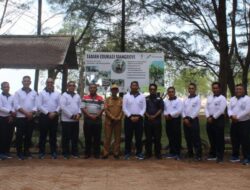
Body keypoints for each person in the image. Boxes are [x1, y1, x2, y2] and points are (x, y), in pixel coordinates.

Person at [14, 76, 37, 160]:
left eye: (28, 81)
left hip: (30, 118)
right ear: (22, 82)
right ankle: (19, 152)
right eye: (25, 81)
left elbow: (36, 105)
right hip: (20, 117)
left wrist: (31, 113)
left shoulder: (34, 92)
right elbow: (16, 105)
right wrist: (26, 113)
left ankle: (26, 151)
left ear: (30, 82)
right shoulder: (17, 92)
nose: (26, 82)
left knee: (28, 135)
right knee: (19, 136)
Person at [37, 78, 60, 159]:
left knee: (53, 135)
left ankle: (53, 152)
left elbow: (59, 105)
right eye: (48, 82)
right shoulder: (41, 93)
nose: (50, 83)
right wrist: (48, 113)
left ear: (53, 83)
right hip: (44, 116)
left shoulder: (57, 93)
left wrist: (55, 112)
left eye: (51, 82)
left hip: (54, 116)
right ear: (46, 83)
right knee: (43, 135)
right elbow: (39, 105)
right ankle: (41, 152)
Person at [123, 81, 146, 160]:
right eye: (133, 85)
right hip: (129, 119)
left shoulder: (142, 96)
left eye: (136, 85)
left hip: (139, 119)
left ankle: (139, 153)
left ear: (138, 87)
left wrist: (139, 116)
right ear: (130, 86)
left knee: (138, 137)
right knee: (128, 137)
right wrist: (130, 117)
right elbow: (124, 108)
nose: (134, 86)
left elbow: (144, 108)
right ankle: (127, 153)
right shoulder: (126, 96)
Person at [228, 84, 250, 165]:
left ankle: (247, 157)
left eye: (240, 89)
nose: (238, 91)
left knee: (245, 141)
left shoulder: (248, 99)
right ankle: (235, 156)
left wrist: (237, 117)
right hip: (234, 123)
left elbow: (247, 110)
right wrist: (231, 116)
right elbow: (229, 109)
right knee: (234, 140)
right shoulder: (232, 99)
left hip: (244, 123)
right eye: (237, 89)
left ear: (243, 90)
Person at [205, 82, 227, 163]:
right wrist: (208, 117)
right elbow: (206, 108)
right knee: (211, 137)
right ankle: (213, 154)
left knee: (219, 138)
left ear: (219, 89)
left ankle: (220, 156)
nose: (215, 89)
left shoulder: (222, 98)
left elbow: (221, 110)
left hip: (218, 120)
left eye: (216, 88)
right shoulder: (209, 97)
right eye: (213, 88)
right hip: (209, 119)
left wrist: (213, 118)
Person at [82, 83, 104, 159]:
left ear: (96, 89)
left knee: (97, 138)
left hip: (97, 120)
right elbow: (83, 108)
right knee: (87, 137)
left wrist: (97, 116)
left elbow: (102, 108)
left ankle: (96, 153)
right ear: (89, 89)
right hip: (88, 120)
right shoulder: (85, 97)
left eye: (94, 88)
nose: (92, 89)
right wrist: (90, 115)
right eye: (91, 88)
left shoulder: (100, 98)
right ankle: (87, 153)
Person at [60, 81, 81, 159]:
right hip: (66, 120)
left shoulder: (77, 96)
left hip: (76, 120)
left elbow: (79, 106)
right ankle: (65, 153)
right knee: (66, 138)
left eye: (73, 85)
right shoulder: (64, 95)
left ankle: (74, 152)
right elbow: (62, 107)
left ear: (75, 87)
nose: (72, 87)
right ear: (67, 86)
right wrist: (71, 116)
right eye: (70, 85)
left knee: (75, 137)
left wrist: (79, 114)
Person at [102, 84, 123, 159]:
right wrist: (112, 117)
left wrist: (119, 117)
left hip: (118, 121)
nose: (114, 90)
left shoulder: (121, 99)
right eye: (113, 89)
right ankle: (105, 153)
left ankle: (116, 153)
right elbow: (106, 110)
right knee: (107, 137)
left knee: (117, 138)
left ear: (117, 91)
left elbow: (122, 110)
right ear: (111, 91)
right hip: (109, 121)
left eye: (115, 89)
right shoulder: (107, 99)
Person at [182, 83, 202, 161]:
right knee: (188, 138)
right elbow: (182, 110)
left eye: (192, 88)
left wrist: (189, 119)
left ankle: (198, 155)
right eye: (189, 88)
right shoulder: (185, 99)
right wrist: (184, 118)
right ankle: (190, 153)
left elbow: (196, 110)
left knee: (196, 138)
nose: (191, 90)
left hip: (193, 120)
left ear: (195, 89)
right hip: (185, 120)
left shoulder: (197, 98)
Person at [144, 83, 164, 159]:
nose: (152, 90)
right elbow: (143, 109)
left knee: (157, 138)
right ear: (149, 90)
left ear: (156, 90)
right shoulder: (145, 99)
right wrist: (148, 116)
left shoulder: (159, 99)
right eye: (151, 89)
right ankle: (148, 153)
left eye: (154, 89)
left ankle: (158, 153)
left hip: (157, 122)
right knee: (148, 138)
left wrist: (154, 116)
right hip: (147, 121)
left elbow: (161, 109)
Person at [163, 86, 183, 160]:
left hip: (175, 120)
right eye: (169, 92)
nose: (171, 93)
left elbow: (179, 110)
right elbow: (164, 110)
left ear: (174, 92)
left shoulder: (179, 101)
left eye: (172, 92)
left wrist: (170, 115)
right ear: (168, 93)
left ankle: (178, 153)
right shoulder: (166, 101)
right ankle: (172, 152)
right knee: (170, 136)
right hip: (168, 120)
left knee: (177, 137)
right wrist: (166, 115)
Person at [0, 82, 16, 160]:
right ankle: (1, 153)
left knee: (9, 135)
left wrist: (11, 115)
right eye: (4, 87)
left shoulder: (12, 96)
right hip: (2, 118)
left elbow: (14, 106)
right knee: (2, 136)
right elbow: (0, 107)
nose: (6, 88)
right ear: (1, 88)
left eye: (7, 86)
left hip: (10, 118)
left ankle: (6, 152)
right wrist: (10, 112)